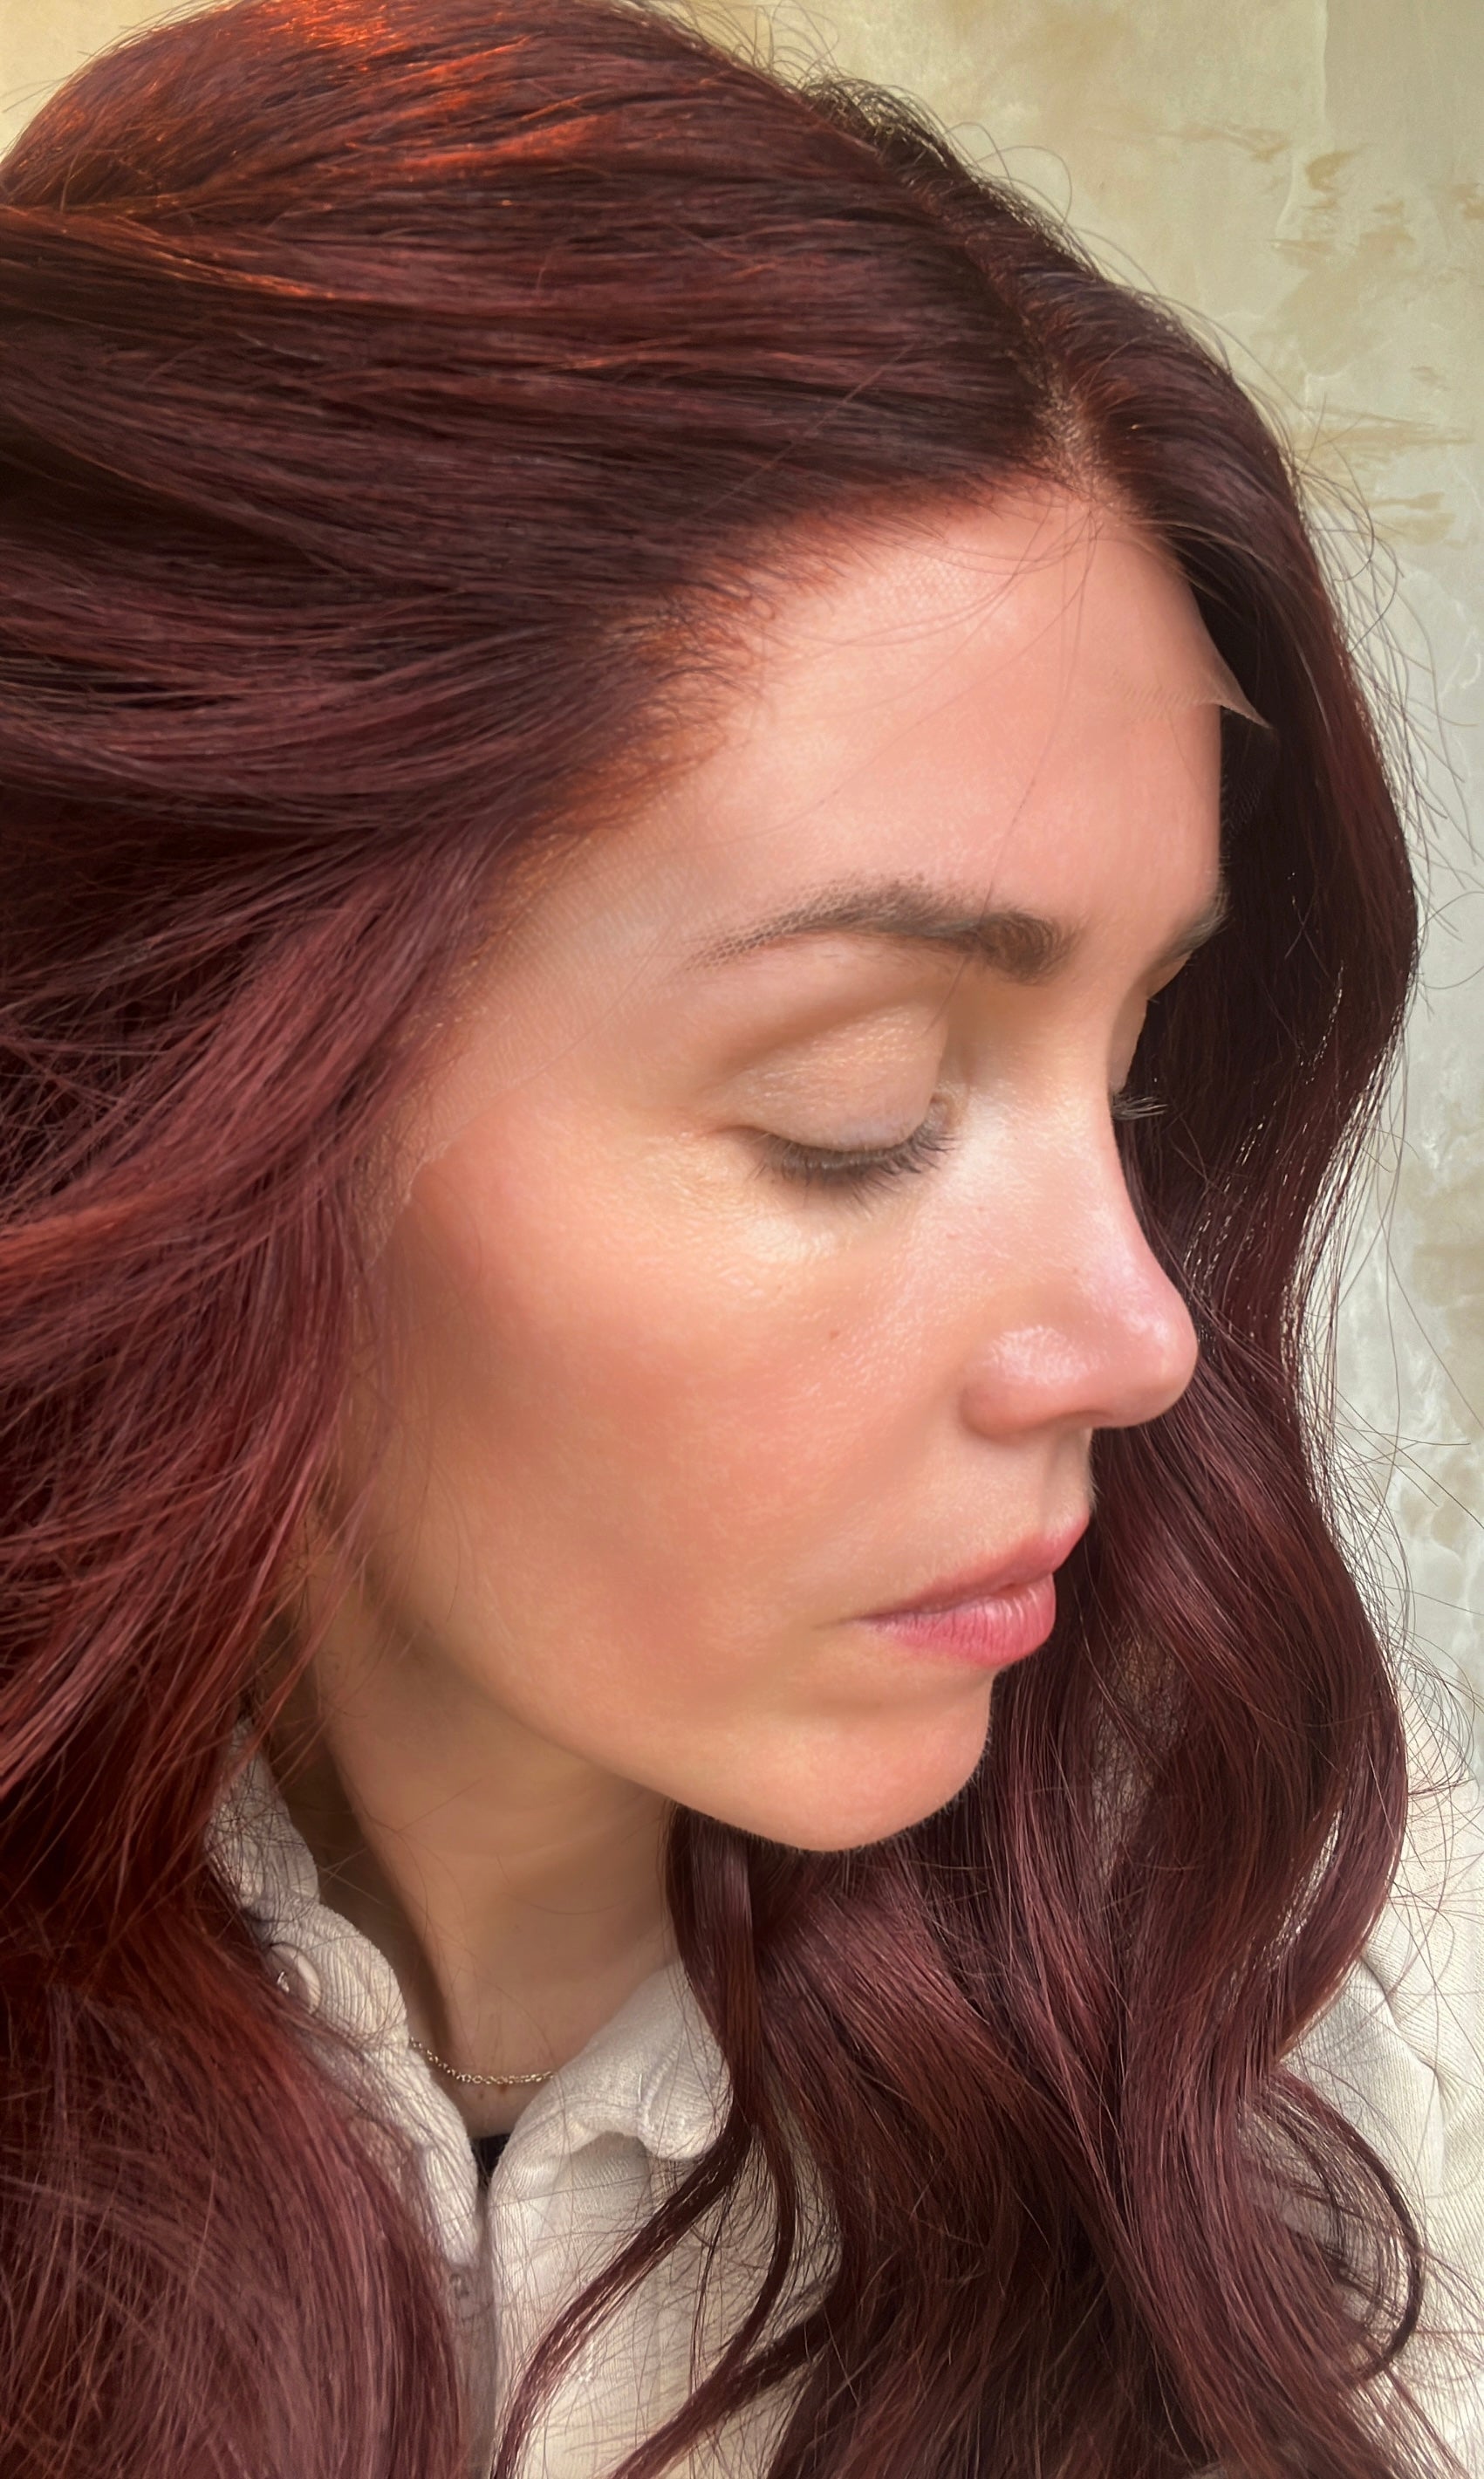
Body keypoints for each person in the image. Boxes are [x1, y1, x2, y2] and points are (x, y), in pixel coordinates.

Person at [0, 1, 1480, 2474]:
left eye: (1136, 1071)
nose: (1140, 1332)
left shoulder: (1353, 2003)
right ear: (166, 1076)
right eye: (857, 1104)